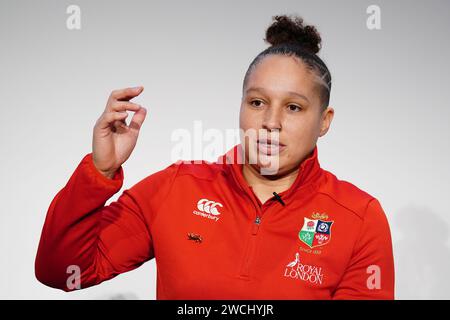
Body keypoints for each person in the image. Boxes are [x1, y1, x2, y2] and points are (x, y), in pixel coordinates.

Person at [35, 14, 394, 299]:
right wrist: (100, 171)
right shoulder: (176, 188)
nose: (271, 122)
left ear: (324, 122)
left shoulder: (360, 218)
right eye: (257, 102)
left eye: (294, 107)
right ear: (241, 107)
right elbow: (63, 272)